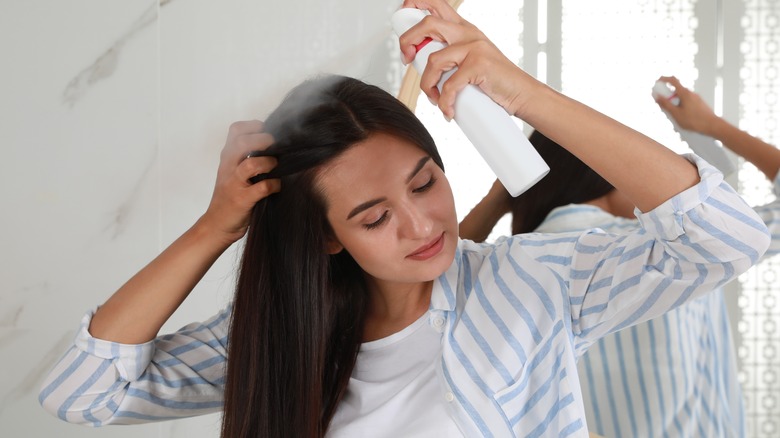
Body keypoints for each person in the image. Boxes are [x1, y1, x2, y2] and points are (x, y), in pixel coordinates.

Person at [38, 0, 770, 435]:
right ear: (327, 234)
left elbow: (724, 238)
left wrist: (519, 92)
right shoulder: (284, 330)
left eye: (425, 183)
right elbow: (83, 392)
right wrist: (217, 226)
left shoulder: (528, 284)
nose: (422, 225)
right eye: (373, 215)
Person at [460, 77, 780, 437]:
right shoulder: (685, 240)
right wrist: (710, 126)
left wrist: (500, 197)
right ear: (605, 170)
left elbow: (434, 286)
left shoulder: (516, 268)